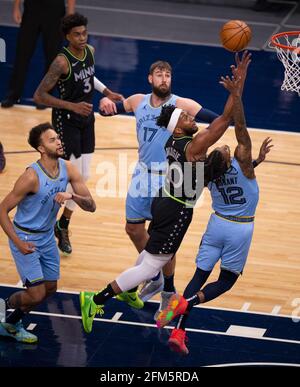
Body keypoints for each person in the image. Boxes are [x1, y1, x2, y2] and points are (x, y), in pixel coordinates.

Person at [79, 63, 247, 335]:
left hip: (167, 200)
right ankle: (96, 299)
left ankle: (154, 288)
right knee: (151, 265)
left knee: (151, 257)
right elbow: (223, 122)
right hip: (175, 209)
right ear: (177, 128)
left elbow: (209, 135)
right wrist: (236, 92)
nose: (192, 118)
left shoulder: (174, 142)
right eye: (185, 118)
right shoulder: (192, 146)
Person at [155, 96, 273, 356]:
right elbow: (240, 129)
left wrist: (258, 161)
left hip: (216, 225)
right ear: (234, 161)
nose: (228, 148)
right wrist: (238, 95)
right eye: (227, 150)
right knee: (227, 280)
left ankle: (179, 331)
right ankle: (186, 303)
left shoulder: (207, 175)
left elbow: (225, 165)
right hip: (239, 229)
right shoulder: (244, 169)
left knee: (199, 275)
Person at [99, 60, 220, 309]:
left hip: (168, 178)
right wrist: (106, 105)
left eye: (168, 75)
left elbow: (216, 121)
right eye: (159, 74)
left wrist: (196, 149)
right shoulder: (136, 101)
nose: (164, 78)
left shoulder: (182, 105)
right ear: (150, 79)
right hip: (141, 173)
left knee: (163, 237)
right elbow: (109, 110)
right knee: (133, 229)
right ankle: (151, 272)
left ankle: (167, 286)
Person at [34, 13, 123, 255]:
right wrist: (72, 106)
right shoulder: (61, 62)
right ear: (67, 36)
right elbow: (39, 96)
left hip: (86, 119)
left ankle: (63, 223)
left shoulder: (91, 51)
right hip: (67, 121)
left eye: (84, 33)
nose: (82, 38)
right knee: (74, 177)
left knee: (84, 174)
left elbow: (89, 76)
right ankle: (48, 223)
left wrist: (107, 91)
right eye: (77, 34)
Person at [0, 122, 96, 343]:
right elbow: (2, 210)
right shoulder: (31, 177)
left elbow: (91, 206)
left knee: (50, 288)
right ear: (41, 148)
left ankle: (11, 322)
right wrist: (18, 242)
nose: (59, 141)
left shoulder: (69, 168)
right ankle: (4, 307)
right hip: (25, 237)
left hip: (46, 237)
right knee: (36, 293)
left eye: (58, 138)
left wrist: (73, 197)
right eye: (52, 140)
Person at [1, 0, 76, 109]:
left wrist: (70, 14)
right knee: (22, 54)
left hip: (54, 11)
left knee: (52, 57)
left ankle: (45, 96)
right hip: (32, 9)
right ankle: (13, 95)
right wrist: (16, 7)